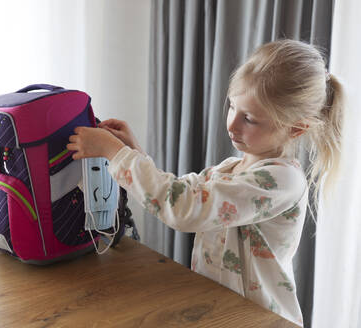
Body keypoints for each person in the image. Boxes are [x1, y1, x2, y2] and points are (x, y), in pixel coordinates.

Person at [66, 39, 344, 326]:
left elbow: (185, 208)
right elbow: (184, 192)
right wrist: (136, 153)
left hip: (258, 320)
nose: (232, 124)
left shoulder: (281, 181)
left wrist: (116, 153)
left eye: (249, 118)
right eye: (233, 107)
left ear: (296, 129)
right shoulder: (233, 167)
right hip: (223, 311)